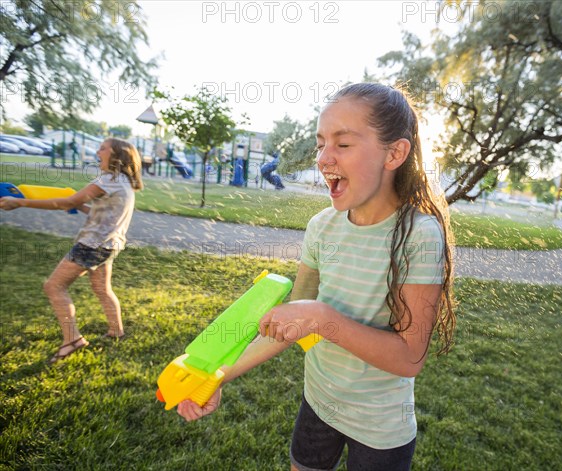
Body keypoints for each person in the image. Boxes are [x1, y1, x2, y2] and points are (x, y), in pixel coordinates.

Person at [176, 83, 456, 470]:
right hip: (318, 403)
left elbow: (409, 357)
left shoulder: (419, 235)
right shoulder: (322, 226)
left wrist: (323, 320)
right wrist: (218, 377)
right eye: (321, 143)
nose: (324, 158)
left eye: (342, 144)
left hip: (380, 427)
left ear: (395, 153)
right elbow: (289, 323)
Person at [0, 138, 143, 364]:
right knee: (102, 289)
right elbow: (102, 215)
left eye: (103, 148)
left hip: (91, 245)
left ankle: (72, 340)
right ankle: (116, 331)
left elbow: (67, 201)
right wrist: (80, 206)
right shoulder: (123, 181)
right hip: (109, 244)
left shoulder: (109, 179)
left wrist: (21, 203)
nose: (98, 151)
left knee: (54, 286)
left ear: (116, 155)